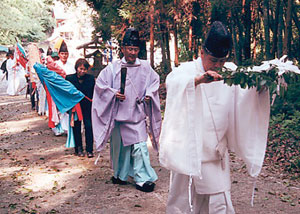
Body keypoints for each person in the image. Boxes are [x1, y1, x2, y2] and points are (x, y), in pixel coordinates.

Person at [159, 21, 270, 213]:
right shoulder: (186, 71)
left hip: (214, 151)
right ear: (202, 52)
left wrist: (261, 88)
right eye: (213, 60)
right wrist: (196, 81)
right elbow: (173, 83)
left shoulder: (230, 72)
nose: (218, 66)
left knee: (219, 201)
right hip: (188, 149)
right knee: (183, 201)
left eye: (222, 61)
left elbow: (245, 95)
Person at [92, 28, 162, 192]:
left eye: (135, 49)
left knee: (140, 148)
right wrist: (113, 94)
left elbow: (154, 81)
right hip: (119, 116)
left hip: (137, 115)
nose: (132, 52)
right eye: (129, 49)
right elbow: (100, 86)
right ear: (123, 48)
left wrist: (149, 95)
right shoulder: (112, 68)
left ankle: (142, 179)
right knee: (121, 149)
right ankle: (120, 175)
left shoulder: (145, 66)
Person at [66, 58, 95, 158]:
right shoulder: (69, 79)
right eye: (80, 68)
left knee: (89, 127)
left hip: (87, 106)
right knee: (76, 127)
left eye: (84, 69)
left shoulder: (91, 79)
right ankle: (78, 149)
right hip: (75, 107)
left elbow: (94, 93)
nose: (82, 71)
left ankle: (89, 149)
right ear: (76, 68)